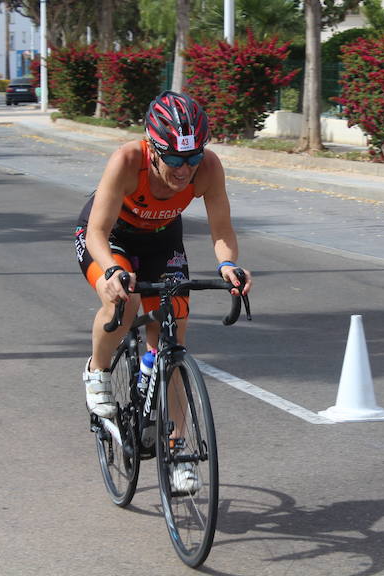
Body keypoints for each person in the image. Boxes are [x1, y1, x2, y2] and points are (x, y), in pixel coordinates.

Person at [75, 90, 252, 492]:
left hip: (160, 239)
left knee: (173, 340)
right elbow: (97, 233)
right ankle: (97, 373)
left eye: (191, 159)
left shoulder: (207, 168)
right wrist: (114, 271)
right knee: (125, 296)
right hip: (109, 237)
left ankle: (177, 451)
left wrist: (228, 264)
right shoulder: (127, 160)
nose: (183, 170)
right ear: (153, 149)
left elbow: (222, 231)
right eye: (173, 159)